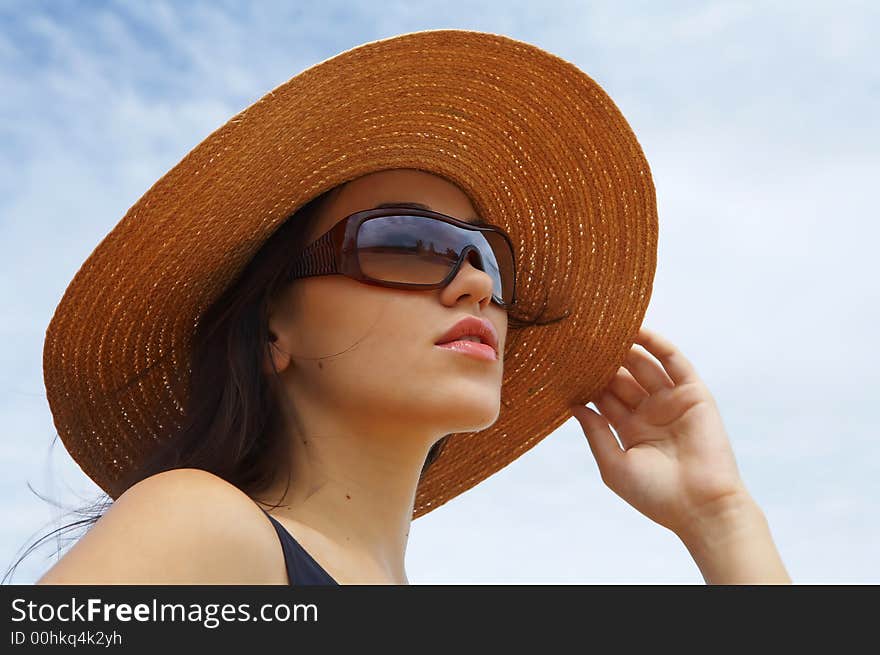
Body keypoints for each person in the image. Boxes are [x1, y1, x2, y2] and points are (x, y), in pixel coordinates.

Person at [17, 30, 790, 585]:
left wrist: (720, 518)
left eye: (487, 256)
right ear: (272, 329)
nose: (476, 286)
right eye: (406, 244)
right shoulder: (201, 524)